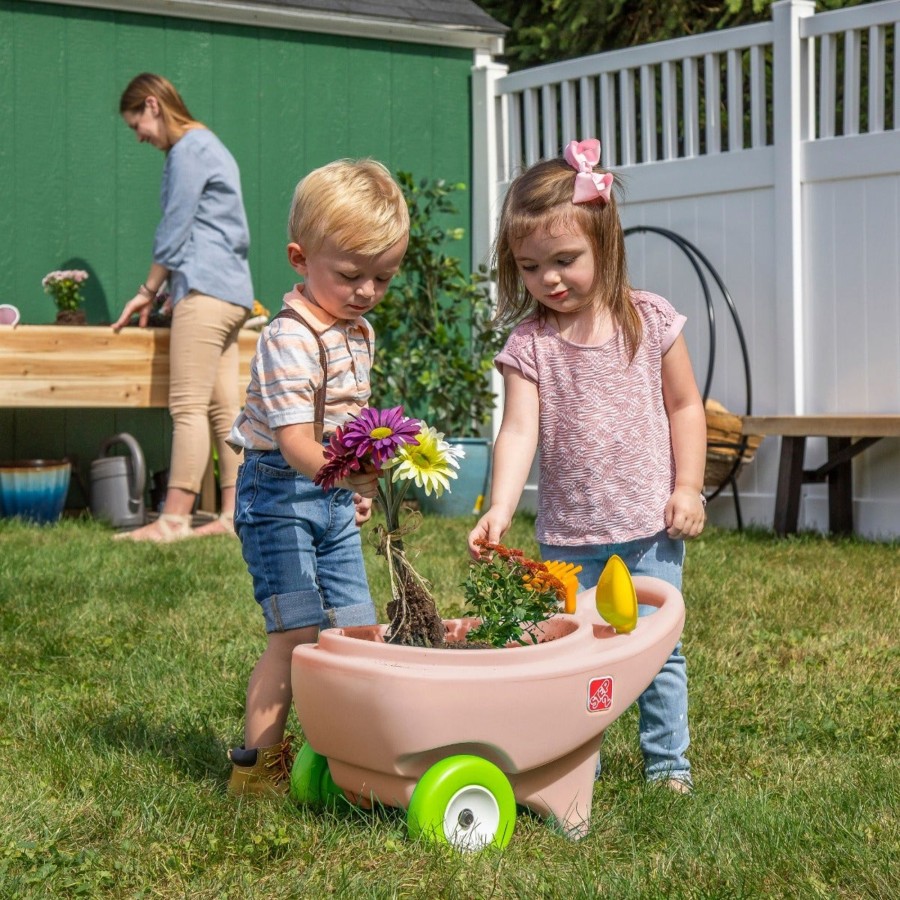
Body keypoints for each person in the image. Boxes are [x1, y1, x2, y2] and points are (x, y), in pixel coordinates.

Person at [467, 138, 707, 792]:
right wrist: (501, 506)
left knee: (658, 651)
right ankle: (576, 764)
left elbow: (685, 406)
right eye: (530, 266)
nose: (549, 279)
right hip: (569, 539)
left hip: (650, 530)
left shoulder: (651, 321)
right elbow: (518, 429)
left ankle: (668, 768)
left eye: (565, 260)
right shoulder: (531, 343)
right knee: (575, 655)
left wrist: (689, 487)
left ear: (606, 241)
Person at [225, 159, 410, 796]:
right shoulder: (288, 338)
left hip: (328, 495)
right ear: (301, 259)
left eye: (382, 278)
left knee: (356, 630)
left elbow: (348, 422)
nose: (366, 292)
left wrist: (353, 489)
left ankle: (349, 761)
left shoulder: (359, 333)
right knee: (297, 633)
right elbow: (297, 441)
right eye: (351, 275)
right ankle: (254, 769)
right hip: (278, 493)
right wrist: (346, 478)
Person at [112, 73, 255, 541]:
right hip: (233, 293)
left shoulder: (188, 150)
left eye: (138, 124)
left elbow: (175, 225)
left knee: (187, 407)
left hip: (205, 291)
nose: (139, 137)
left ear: (153, 105)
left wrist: (148, 290)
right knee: (223, 410)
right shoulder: (211, 146)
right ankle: (234, 516)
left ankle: (173, 519)